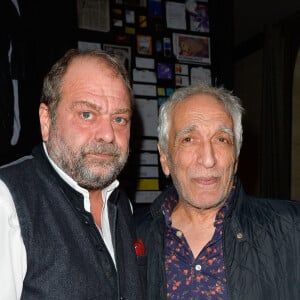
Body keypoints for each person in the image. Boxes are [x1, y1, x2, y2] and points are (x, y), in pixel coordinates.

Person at [0, 49, 144, 299]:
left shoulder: (122, 206)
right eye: (87, 114)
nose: (108, 135)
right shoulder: (7, 203)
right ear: (47, 120)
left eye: (119, 119)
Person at [135, 83, 300, 300]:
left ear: (236, 157)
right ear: (165, 157)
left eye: (222, 139)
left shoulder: (292, 228)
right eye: (189, 139)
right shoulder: (130, 235)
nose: (208, 159)